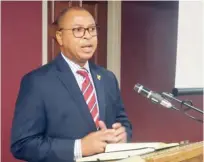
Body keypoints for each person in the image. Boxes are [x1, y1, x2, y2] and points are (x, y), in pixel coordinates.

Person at [11, 7, 132, 162]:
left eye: (92, 29)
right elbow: (22, 145)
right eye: (78, 30)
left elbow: (123, 122)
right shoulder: (37, 82)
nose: (87, 36)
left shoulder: (108, 78)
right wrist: (79, 147)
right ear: (60, 37)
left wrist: (123, 135)